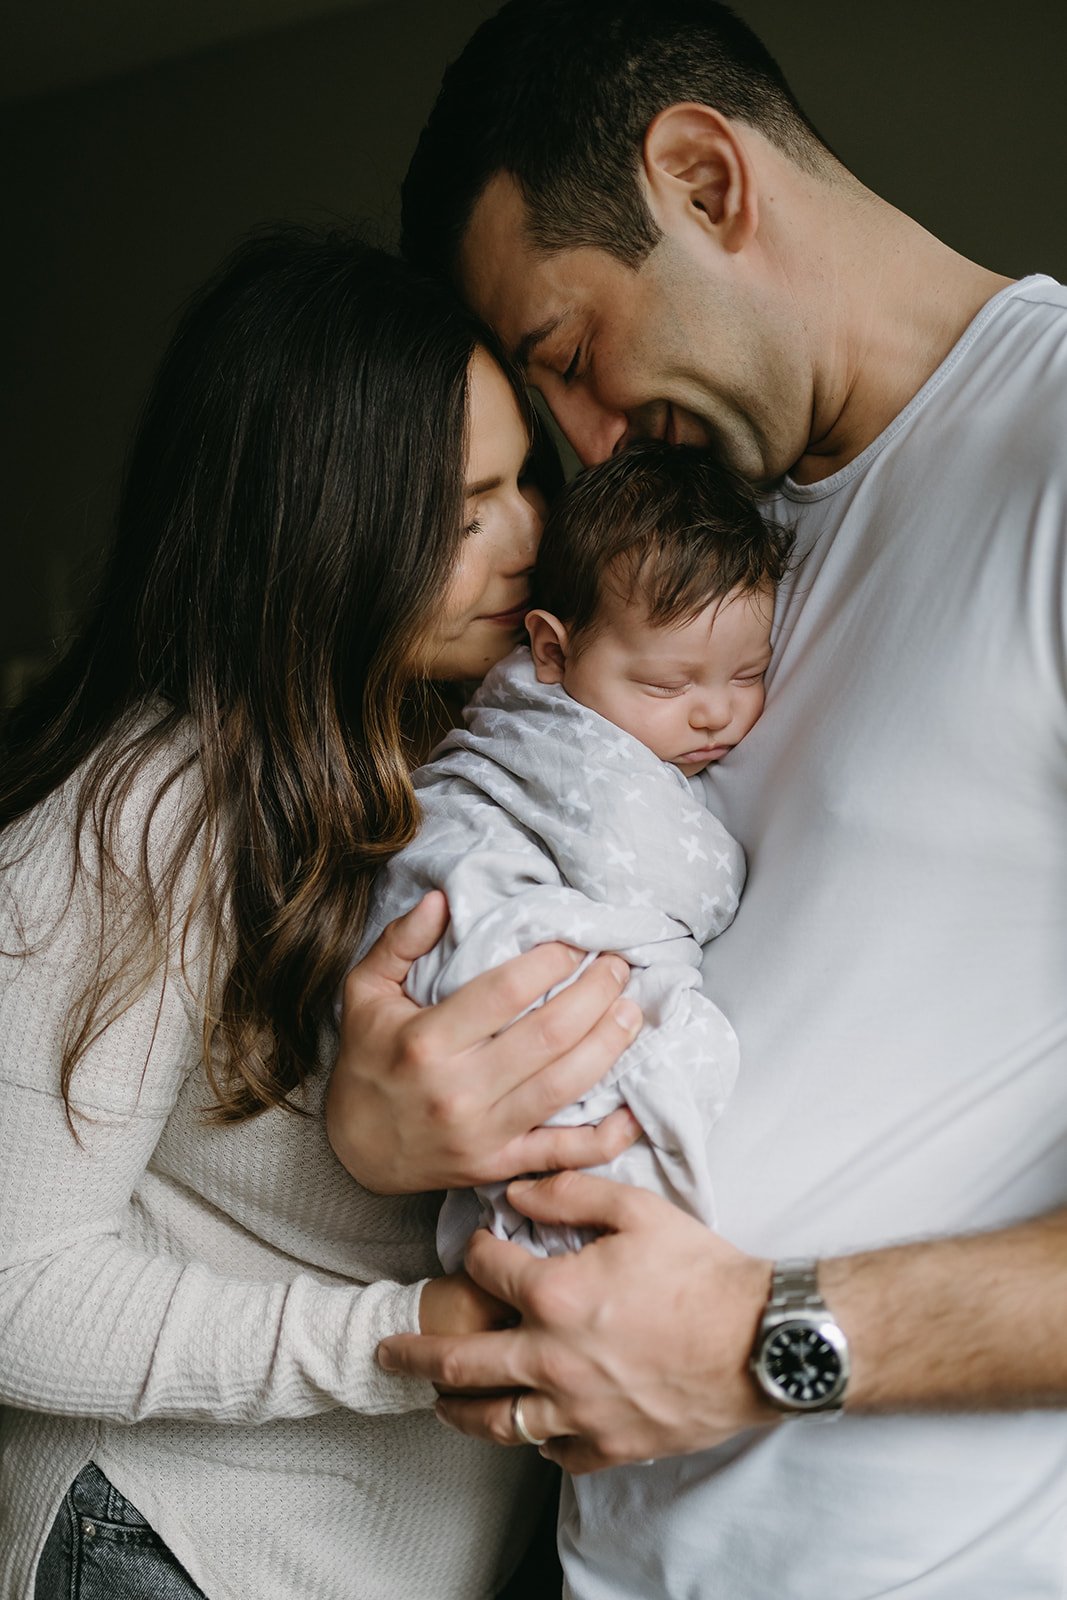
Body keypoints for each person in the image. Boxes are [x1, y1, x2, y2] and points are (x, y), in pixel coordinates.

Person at [327, 2, 1067, 1595]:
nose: (585, 450)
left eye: (568, 357)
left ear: (701, 179)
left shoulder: (1050, 453)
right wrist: (386, 1126)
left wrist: (763, 1339)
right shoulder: (690, 547)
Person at [0, 224, 640, 1600]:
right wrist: (407, 1337)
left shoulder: (473, 746)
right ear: (320, 526)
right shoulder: (144, 811)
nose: (531, 536)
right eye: (462, 511)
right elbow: (14, 1289)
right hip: (179, 1547)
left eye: (521, 478)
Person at [366, 441, 790, 1277]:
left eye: (748, 674)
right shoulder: (569, 746)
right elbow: (683, 886)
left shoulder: (573, 698)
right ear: (553, 652)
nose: (714, 714)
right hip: (485, 938)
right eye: (667, 687)